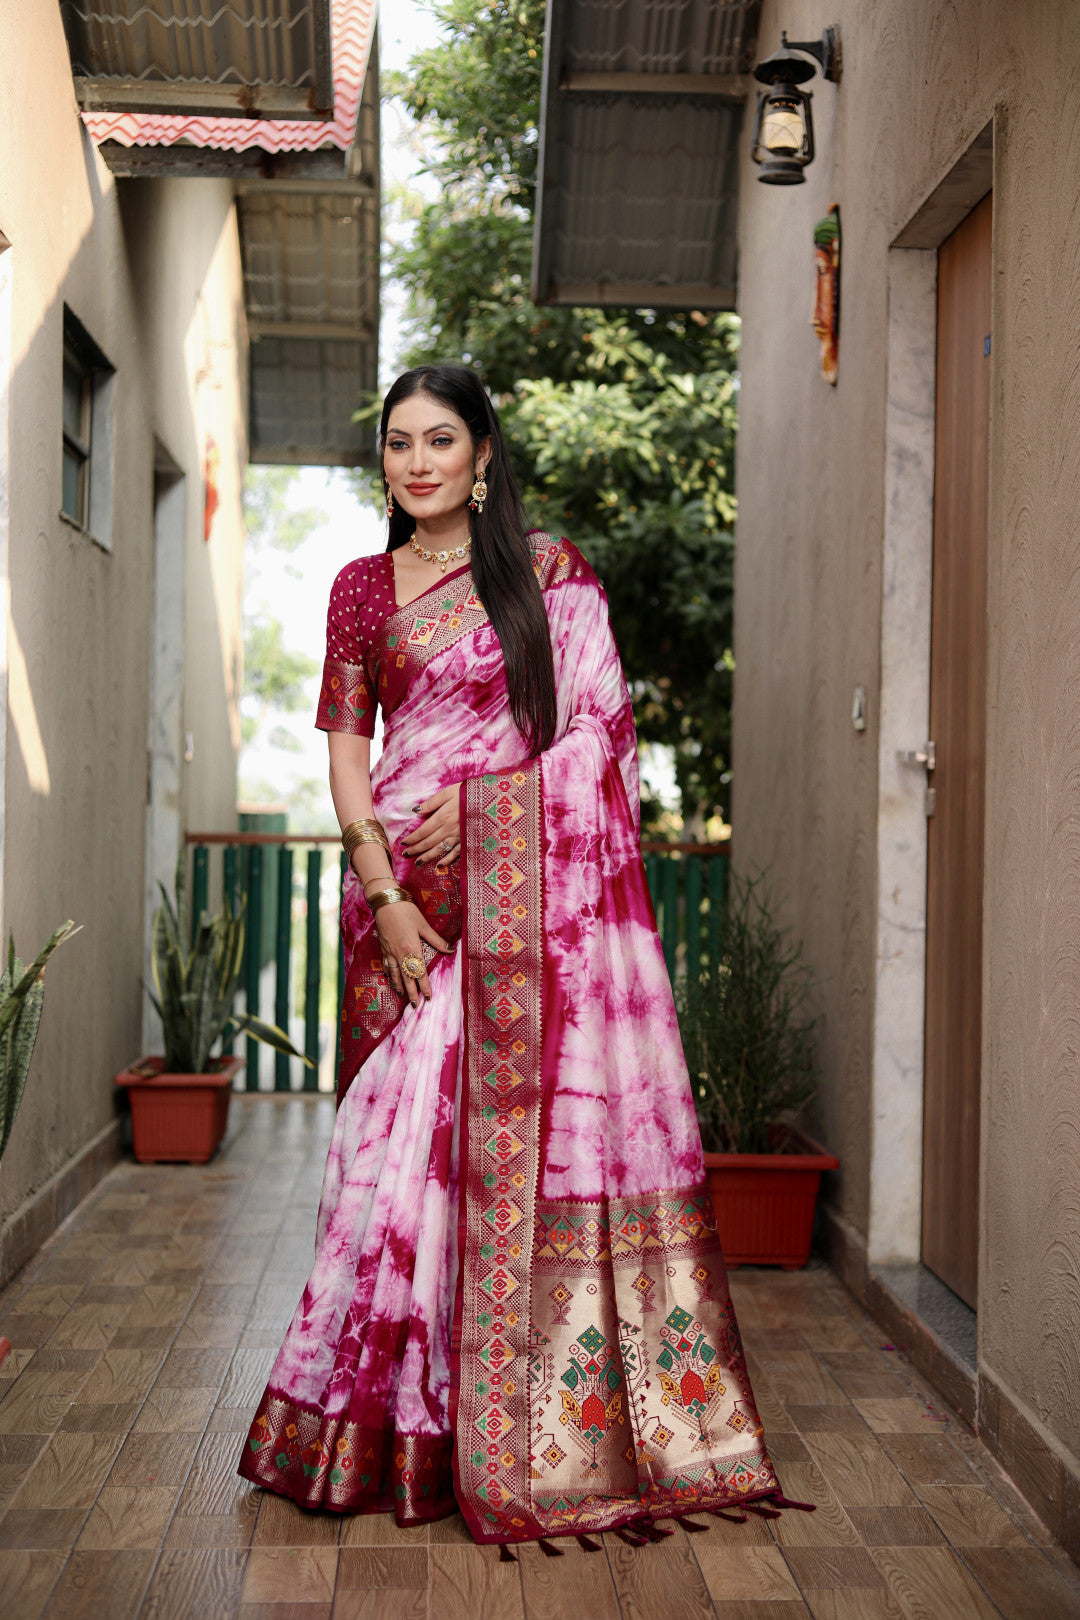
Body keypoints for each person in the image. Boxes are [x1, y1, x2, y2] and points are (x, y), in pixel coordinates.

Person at [238, 363, 787, 1549]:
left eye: (442, 439)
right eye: (398, 444)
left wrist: (493, 807)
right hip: (404, 913)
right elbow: (347, 753)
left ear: (485, 455)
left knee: (493, 1174)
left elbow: (600, 732)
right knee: (385, 1178)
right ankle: (370, 1430)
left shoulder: (551, 574)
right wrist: (381, 888)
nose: (418, 461)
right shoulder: (358, 590)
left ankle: (499, 1431)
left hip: (523, 915)